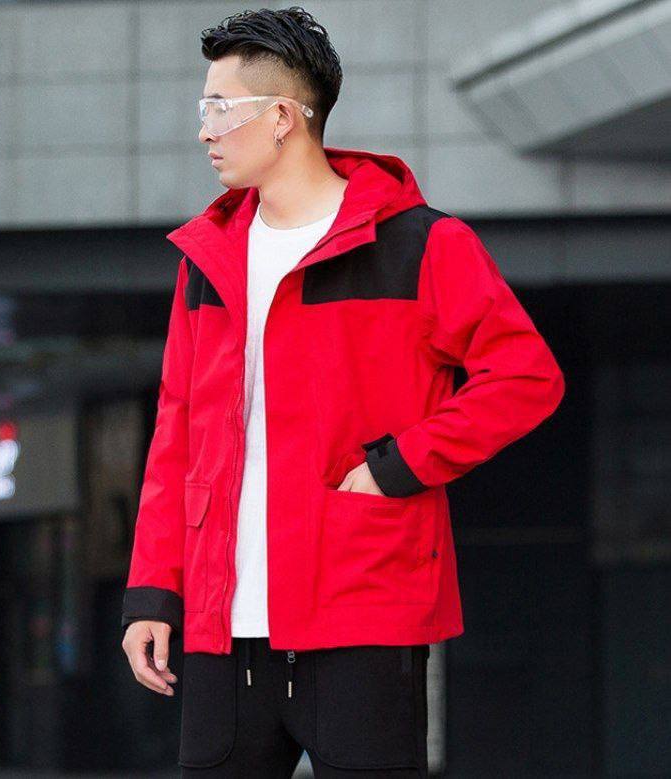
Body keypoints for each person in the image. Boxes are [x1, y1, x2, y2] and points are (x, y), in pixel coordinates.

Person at [120, 7, 565, 778]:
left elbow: (526, 375)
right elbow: (176, 434)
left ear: (282, 117)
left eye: (219, 109)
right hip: (222, 630)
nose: (204, 132)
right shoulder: (208, 259)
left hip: (365, 612)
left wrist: (401, 464)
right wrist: (152, 592)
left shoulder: (420, 244)